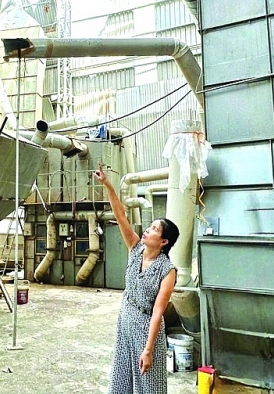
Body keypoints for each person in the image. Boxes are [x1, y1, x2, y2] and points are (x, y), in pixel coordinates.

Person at [94, 161, 179, 394]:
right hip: (125, 320)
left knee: (148, 385)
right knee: (121, 379)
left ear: (163, 242)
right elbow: (121, 216)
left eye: (153, 230)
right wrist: (108, 185)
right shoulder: (135, 248)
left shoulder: (167, 270)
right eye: (149, 227)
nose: (147, 230)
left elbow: (158, 313)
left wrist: (149, 349)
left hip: (145, 328)